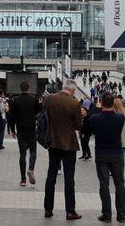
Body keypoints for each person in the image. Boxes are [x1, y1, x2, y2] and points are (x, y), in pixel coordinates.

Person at [43, 79, 82, 220]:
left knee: (51, 175)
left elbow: (43, 116)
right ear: (72, 90)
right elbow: (78, 125)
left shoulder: (49, 99)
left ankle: (48, 209)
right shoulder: (74, 103)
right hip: (69, 144)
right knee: (69, 178)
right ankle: (70, 211)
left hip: (53, 142)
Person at [90, 92, 125, 223]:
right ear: (113, 103)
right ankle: (121, 215)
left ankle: (107, 214)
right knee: (119, 184)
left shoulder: (95, 118)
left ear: (102, 103)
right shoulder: (120, 118)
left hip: (101, 155)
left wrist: (97, 107)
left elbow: (92, 127)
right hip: (116, 154)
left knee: (104, 185)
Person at [9, 80, 41, 186]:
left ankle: (23, 179)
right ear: (29, 88)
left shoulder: (15, 101)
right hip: (31, 129)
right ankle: (31, 169)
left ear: (20, 88)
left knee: (22, 154)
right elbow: (38, 112)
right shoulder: (34, 100)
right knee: (33, 151)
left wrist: (13, 130)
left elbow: (12, 117)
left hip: (20, 129)